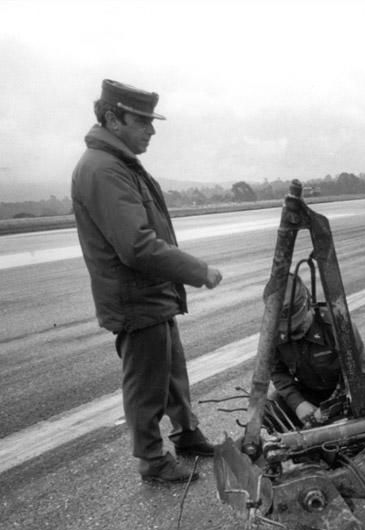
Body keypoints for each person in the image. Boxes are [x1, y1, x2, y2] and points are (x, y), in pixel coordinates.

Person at [72, 79, 223, 484]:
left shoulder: (118, 163)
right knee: (146, 382)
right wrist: (196, 271)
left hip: (151, 293)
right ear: (111, 119)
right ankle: (152, 460)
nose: (151, 130)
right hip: (135, 298)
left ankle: (187, 435)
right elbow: (136, 246)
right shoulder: (104, 169)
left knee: (170, 370)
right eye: (141, 121)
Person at [264, 273, 365, 431]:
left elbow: (361, 367)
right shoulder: (273, 336)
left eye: (299, 326)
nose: (294, 334)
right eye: (287, 331)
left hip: (345, 388)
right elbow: (278, 372)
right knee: (268, 410)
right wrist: (298, 404)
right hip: (309, 392)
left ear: (309, 305)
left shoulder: (337, 324)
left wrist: (353, 397)